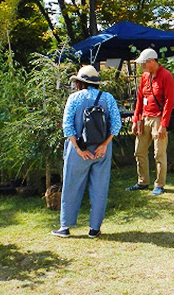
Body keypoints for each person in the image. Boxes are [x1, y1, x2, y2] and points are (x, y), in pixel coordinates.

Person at [52, 65, 122, 238]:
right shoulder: (108, 98)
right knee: (99, 188)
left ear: (80, 83)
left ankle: (65, 227)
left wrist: (78, 149)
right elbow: (116, 125)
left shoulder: (74, 98)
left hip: (79, 150)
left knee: (71, 186)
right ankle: (94, 229)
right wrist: (105, 145)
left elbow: (68, 127)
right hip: (102, 150)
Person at [127, 48, 174, 196]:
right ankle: (143, 182)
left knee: (159, 153)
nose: (142, 66)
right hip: (145, 117)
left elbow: (169, 101)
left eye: (144, 63)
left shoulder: (166, 76)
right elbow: (140, 99)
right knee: (139, 151)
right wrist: (136, 120)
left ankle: (159, 185)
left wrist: (163, 124)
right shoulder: (144, 77)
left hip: (158, 118)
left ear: (152, 61)